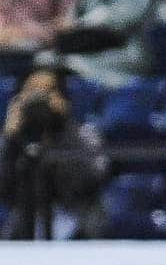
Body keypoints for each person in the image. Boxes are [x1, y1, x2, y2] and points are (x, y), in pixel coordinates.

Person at [0, 67, 106, 239]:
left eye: (49, 91)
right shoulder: (13, 136)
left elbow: (87, 181)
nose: (40, 97)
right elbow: (4, 189)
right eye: (33, 90)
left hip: (76, 218)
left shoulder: (84, 134)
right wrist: (11, 138)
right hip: (26, 220)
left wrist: (64, 125)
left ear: (64, 98)